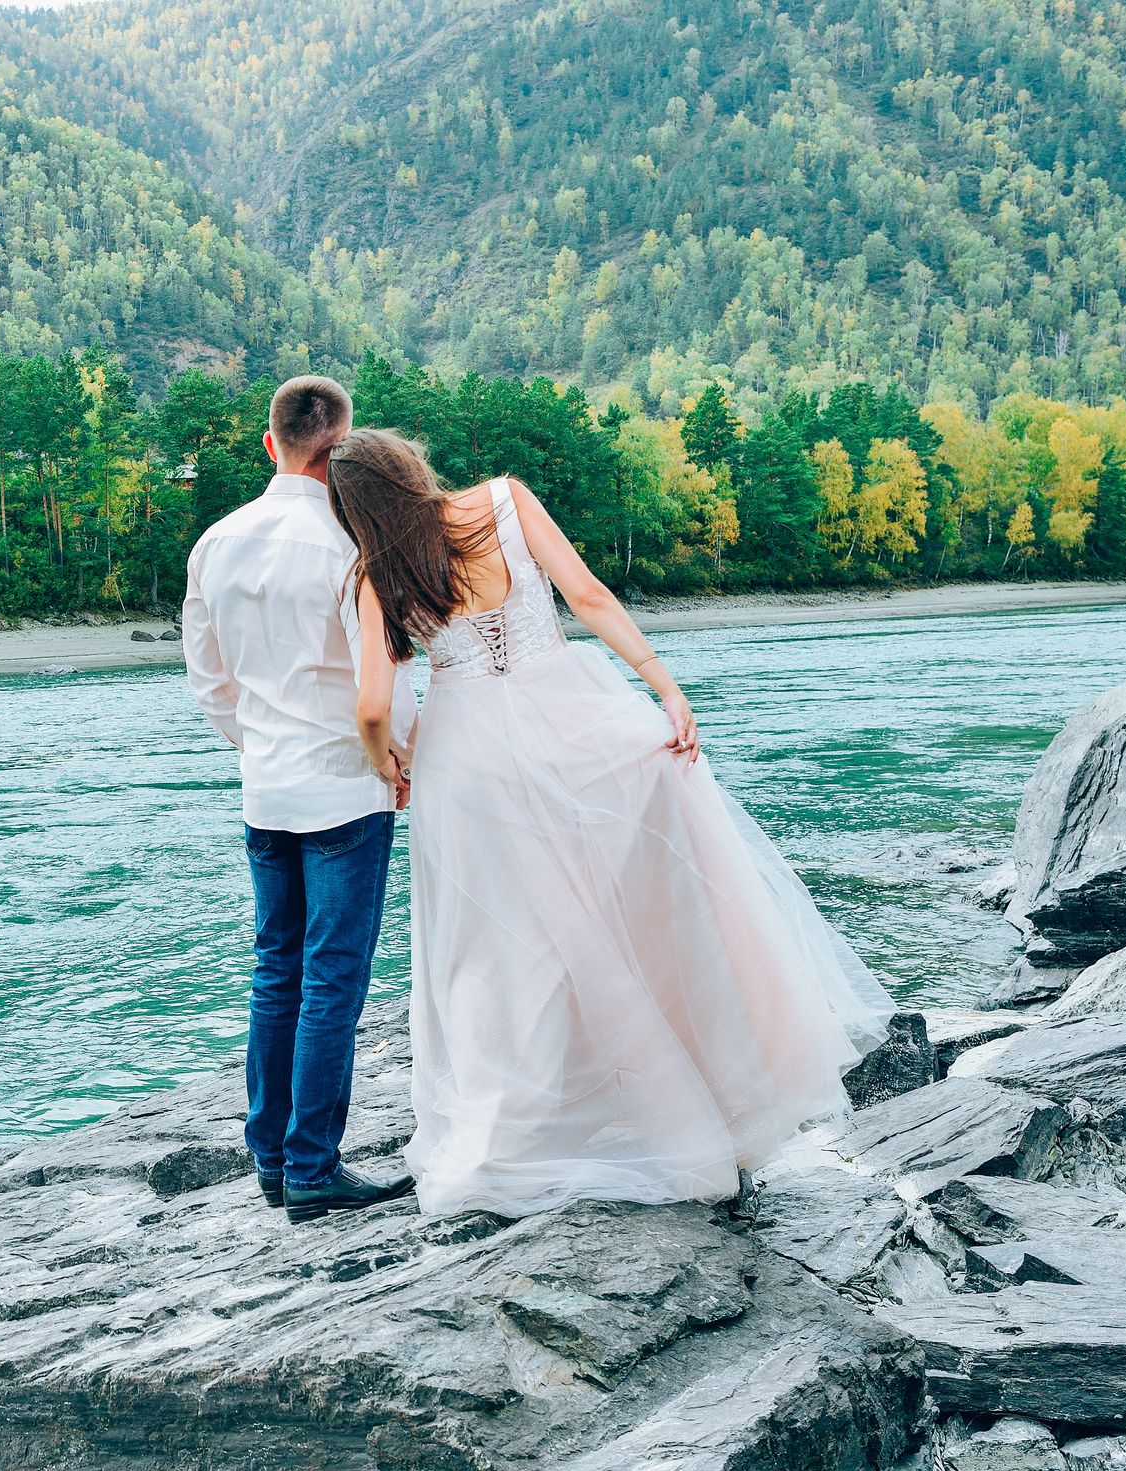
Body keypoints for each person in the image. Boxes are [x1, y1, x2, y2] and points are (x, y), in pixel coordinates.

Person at [329, 428, 891, 1220]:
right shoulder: (503, 502)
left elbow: (373, 706)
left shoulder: (376, 573)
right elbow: (588, 596)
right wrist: (663, 686)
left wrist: (389, 763)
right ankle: (715, 1096)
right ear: (409, 466)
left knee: (499, 952)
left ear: (353, 508)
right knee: (634, 900)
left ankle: (517, 1132)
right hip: (570, 717)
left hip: (469, 764)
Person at [182, 377, 421, 1224]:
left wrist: (262, 748)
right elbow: (379, 694)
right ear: (343, 450)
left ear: (268, 442)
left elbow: (209, 684)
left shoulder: (214, 542)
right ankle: (314, 1164)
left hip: (266, 788)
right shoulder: (349, 548)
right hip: (343, 788)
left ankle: (272, 1160)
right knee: (332, 980)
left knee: (274, 969)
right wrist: (394, 760)